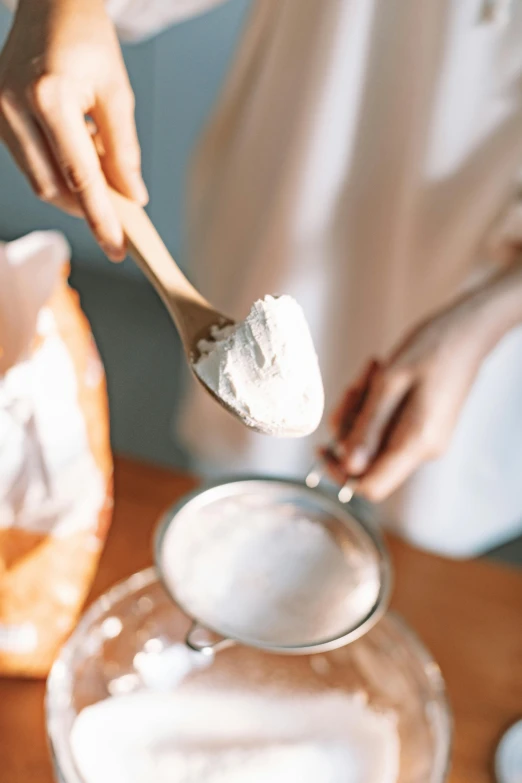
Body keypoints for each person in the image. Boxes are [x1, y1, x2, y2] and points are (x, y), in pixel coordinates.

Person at [1, 0, 522, 553]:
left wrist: (488, 315)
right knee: (241, 487)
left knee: (430, 521)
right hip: (296, 162)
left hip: (492, 274)